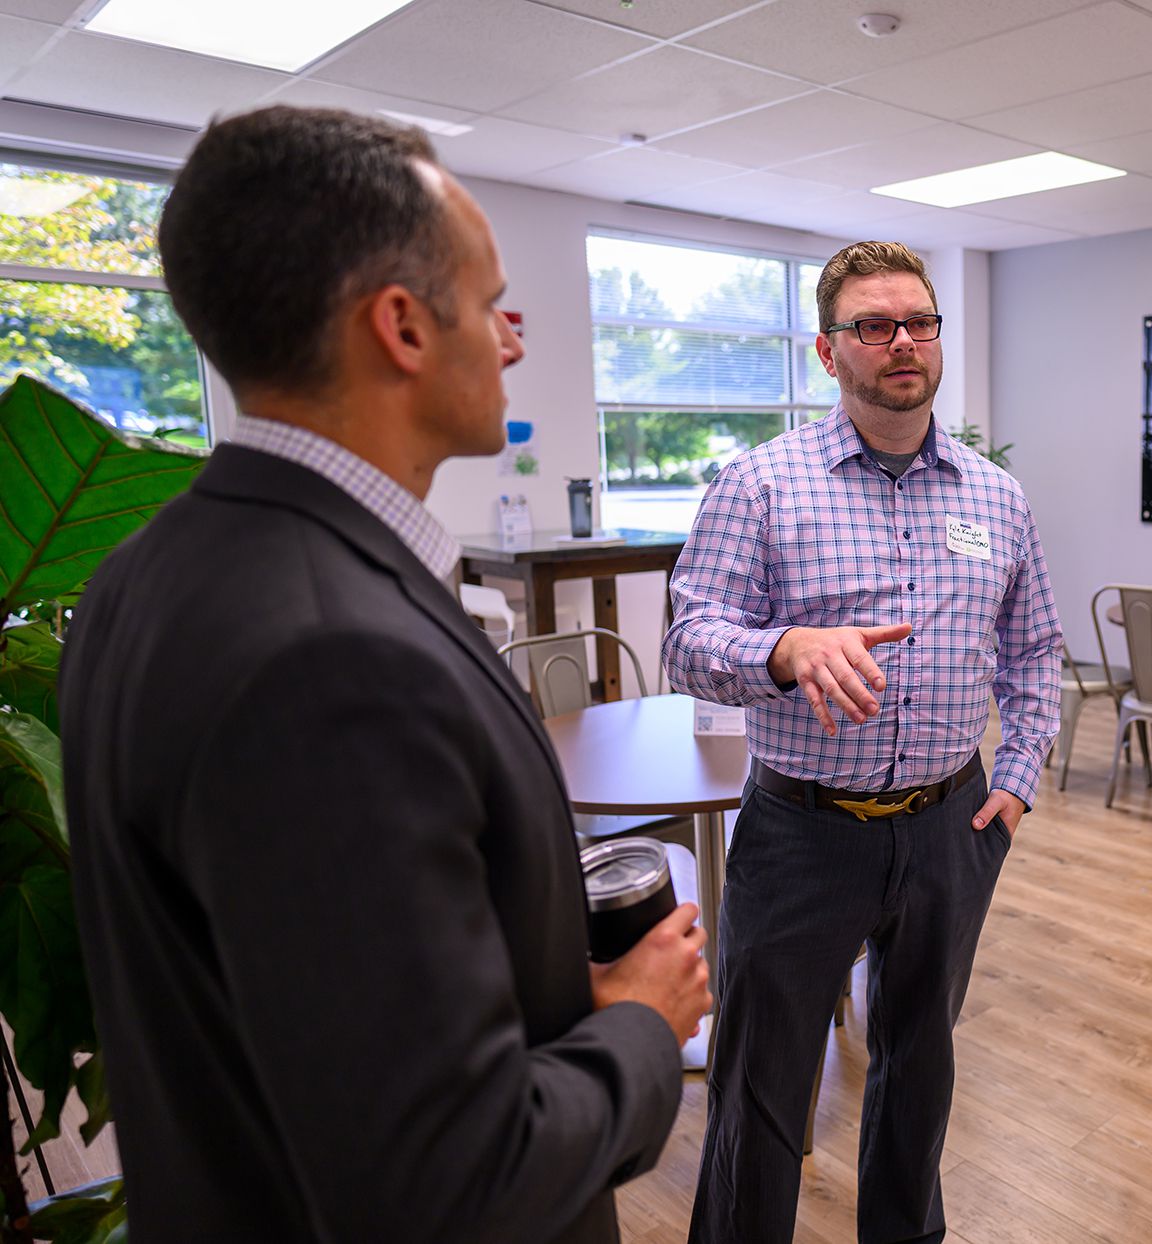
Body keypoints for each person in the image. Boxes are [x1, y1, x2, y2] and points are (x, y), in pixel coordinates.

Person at [60, 107, 709, 1244]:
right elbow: (450, 1180)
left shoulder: (140, 576)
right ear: (402, 326)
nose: (512, 338)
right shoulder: (331, 661)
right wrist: (645, 1027)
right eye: (495, 301)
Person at [665, 241, 1062, 1243]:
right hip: (802, 831)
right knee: (763, 1081)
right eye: (873, 325)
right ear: (827, 348)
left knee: (919, 1062)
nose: (902, 342)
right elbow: (688, 639)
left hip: (949, 824)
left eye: (919, 322)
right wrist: (788, 647)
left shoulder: (994, 496)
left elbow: (1034, 647)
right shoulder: (760, 486)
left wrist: (1013, 781)